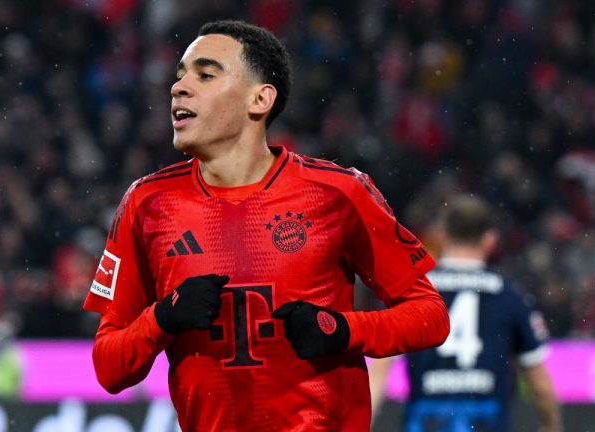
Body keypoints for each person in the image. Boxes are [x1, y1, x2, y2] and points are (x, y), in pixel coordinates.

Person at [82, 20, 449, 431]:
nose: (179, 87)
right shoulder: (147, 204)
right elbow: (108, 367)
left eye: (204, 74)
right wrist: (162, 319)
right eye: (180, 74)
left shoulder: (338, 193)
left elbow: (431, 316)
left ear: (260, 99)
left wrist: (341, 328)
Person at [369, 194, 562, 432]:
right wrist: (550, 426)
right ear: (490, 240)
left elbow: (379, 368)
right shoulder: (510, 296)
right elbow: (538, 380)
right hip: (485, 421)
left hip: (426, 420)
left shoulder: (412, 292)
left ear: (441, 234)